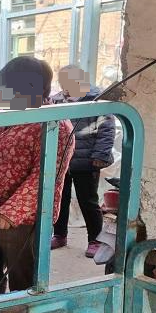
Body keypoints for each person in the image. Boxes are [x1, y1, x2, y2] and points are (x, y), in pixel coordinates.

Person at [0, 56, 74, 293]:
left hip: (21, 221)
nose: (4, 95)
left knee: (23, 281)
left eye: (11, 89)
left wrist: (11, 213)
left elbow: (45, 176)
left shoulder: (54, 125)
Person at [50, 64, 115, 257]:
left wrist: (100, 155)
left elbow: (106, 129)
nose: (64, 86)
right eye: (61, 82)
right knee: (60, 199)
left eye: (67, 82)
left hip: (87, 160)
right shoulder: (57, 100)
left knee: (88, 201)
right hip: (62, 161)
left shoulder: (96, 100)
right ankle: (59, 234)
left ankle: (95, 240)